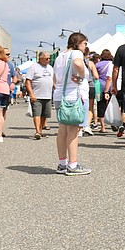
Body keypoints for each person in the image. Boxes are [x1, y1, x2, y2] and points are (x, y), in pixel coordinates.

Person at [53, 33, 92, 176]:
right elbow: (77, 63)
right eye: (85, 43)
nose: (85, 46)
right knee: (73, 131)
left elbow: (55, 78)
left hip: (59, 95)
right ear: (78, 43)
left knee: (62, 129)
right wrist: (81, 75)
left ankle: (62, 163)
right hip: (73, 95)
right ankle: (73, 165)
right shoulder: (77, 53)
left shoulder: (60, 56)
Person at [25, 51, 55, 139]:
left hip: (48, 95)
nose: (48, 60)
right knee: (37, 113)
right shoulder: (34, 67)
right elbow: (27, 82)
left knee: (45, 114)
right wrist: (31, 94)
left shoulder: (50, 68)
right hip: (37, 95)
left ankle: (41, 130)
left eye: (49, 58)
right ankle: (37, 131)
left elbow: (52, 79)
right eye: (46, 58)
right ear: (40, 58)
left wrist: (55, 87)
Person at [95, 49, 115, 134]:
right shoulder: (113, 64)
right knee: (113, 105)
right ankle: (114, 122)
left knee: (101, 106)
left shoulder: (98, 65)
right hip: (113, 87)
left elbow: (95, 76)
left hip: (101, 87)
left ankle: (103, 127)